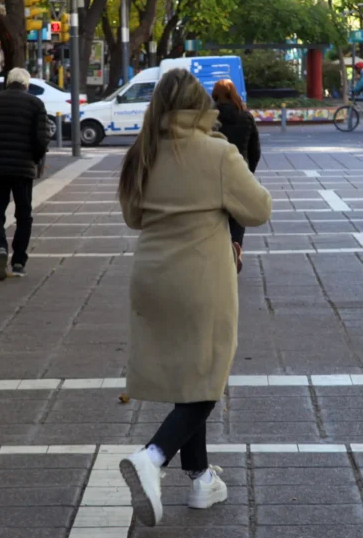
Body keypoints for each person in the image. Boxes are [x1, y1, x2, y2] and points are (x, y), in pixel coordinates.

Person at [117, 68, 272, 527]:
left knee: (191, 373)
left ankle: (202, 478)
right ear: (199, 106)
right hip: (201, 278)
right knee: (210, 372)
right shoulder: (218, 153)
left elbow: (132, 217)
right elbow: (259, 209)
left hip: (151, 278)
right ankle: (153, 456)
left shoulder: (141, 153)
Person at [0, 67, 49, 281]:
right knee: (24, 215)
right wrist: (33, 159)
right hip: (22, 169)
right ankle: (18, 261)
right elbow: (41, 140)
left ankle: (0, 248)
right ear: (26, 84)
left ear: (7, 83)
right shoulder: (35, 104)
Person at [211, 79, 261, 273]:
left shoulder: (209, 118)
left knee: (216, 214)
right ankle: (236, 246)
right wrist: (249, 173)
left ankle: (218, 252)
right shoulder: (246, 117)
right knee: (237, 216)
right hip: (240, 173)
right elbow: (255, 150)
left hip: (214, 174)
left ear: (215, 95)